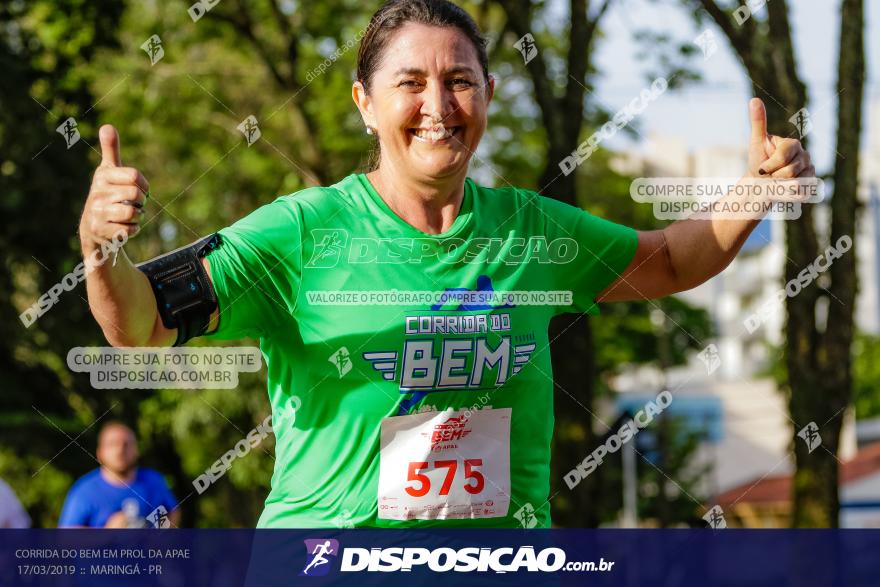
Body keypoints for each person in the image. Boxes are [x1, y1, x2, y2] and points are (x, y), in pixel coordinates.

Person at [78, 0, 813, 528]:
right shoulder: (301, 232)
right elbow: (137, 322)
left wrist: (752, 190)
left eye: (460, 80)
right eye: (410, 83)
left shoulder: (531, 232)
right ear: (365, 103)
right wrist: (100, 247)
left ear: (489, 95)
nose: (439, 104)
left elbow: (670, 263)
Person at [58, 421, 179, 528]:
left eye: (126, 444)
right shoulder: (84, 491)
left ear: (136, 450)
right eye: (112, 444)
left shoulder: (154, 481)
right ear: (100, 453)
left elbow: (172, 512)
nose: (120, 450)